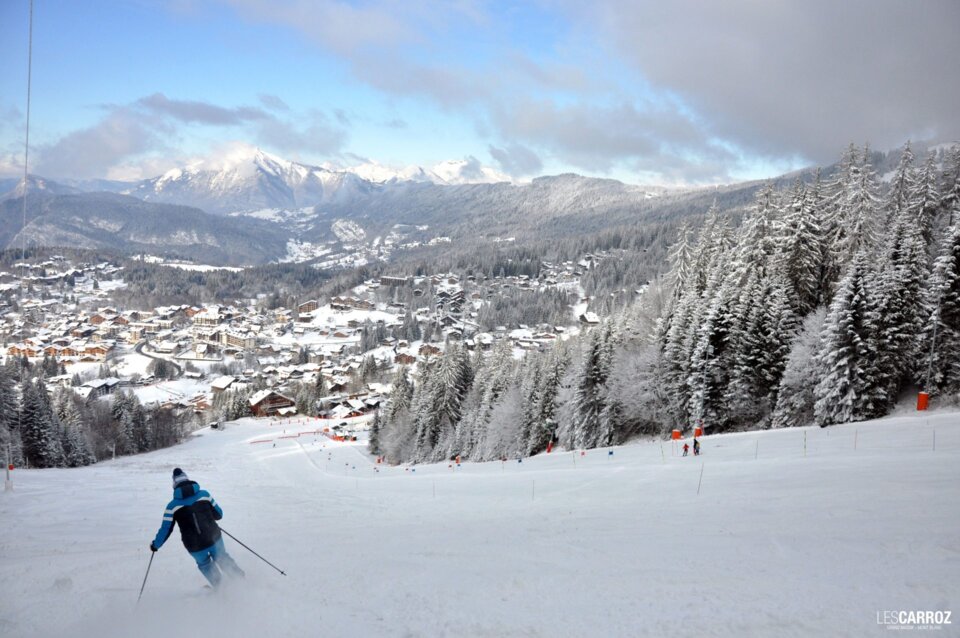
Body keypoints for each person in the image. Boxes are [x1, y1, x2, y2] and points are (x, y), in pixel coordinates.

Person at [150, 468, 244, 587]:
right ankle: (241, 580)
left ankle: (220, 588)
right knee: (222, 558)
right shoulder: (204, 495)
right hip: (214, 537)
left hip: (194, 546)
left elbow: (165, 530)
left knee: (205, 565)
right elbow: (219, 515)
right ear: (188, 480)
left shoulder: (171, 507)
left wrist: (155, 545)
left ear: (174, 485)